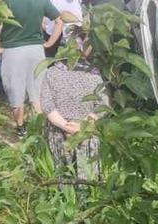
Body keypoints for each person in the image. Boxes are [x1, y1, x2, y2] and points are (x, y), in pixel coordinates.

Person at [0, 0, 63, 137]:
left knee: (16, 91)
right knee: (37, 91)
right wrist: (50, 42)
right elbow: (59, 21)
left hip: (13, 52)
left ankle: (21, 128)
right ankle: (43, 128)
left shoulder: (5, 3)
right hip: (36, 50)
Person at [40, 35, 108, 181]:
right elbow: (102, 106)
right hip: (86, 132)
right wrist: (80, 127)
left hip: (58, 131)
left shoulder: (51, 72)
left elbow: (47, 106)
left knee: (61, 174)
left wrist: (66, 126)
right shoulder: (94, 75)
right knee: (88, 176)